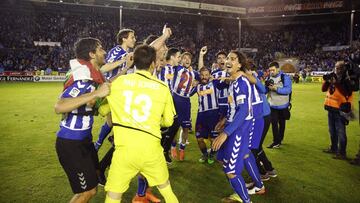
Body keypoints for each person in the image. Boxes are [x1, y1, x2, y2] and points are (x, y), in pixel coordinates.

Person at [105, 45, 179, 203]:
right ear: (153, 63)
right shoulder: (162, 87)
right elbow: (168, 121)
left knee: (113, 196)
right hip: (150, 150)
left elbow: (103, 107)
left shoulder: (118, 83)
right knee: (166, 190)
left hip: (124, 150)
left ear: (134, 61)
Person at [54, 37, 110, 203]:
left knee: (96, 178)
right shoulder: (83, 80)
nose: (104, 52)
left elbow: (104, 83)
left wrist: (126, 66)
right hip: (71, 143)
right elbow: (59, 106)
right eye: (100, 49)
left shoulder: (91, 75)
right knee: (88, 192)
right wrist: (95, 94)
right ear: (92, 54)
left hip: (84, 140)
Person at [212, 51, 263, 203]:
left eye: (232, 59)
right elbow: (234, 107)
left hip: (239, 130)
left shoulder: (241, 82)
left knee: (231, 171)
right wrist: (225, 120)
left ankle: (245, 200)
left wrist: (226, 133)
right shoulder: (234, 81)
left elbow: (243, 111)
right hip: (233, 125)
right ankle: (244, 188)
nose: (228, 61)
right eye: (227, 58)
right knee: (221, 158)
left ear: (239, 64)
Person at [170, 51, 200, 161]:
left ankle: (182, 149)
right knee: (174, 126)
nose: (187, 60)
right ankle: (173, 146)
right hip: (175, 98)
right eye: (184, 58)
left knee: (186, 127)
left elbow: (201, 73)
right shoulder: (177, 68)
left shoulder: (193, 73)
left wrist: (200, 55)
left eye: (189, 58)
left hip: (186, 101)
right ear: (181, 60)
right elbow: (171, 61)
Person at [322, 61, 354, 160]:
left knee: (341, 132)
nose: (337, 69)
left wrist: (336, 83)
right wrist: (327, 81)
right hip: (331, 108)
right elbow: (323, 89)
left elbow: (347, 92)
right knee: (332, 131)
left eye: (339, 67)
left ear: (343, 68)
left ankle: (342, 152)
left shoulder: (346, 79)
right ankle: (333, 148)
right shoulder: (333, 77)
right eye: (336, 67)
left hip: (341, 109)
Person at [266, 62, 292, 149]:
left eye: (273, 70)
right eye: (270, 70)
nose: (271, 72)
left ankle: (280, 139)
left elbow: (288, 90)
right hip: (272, 105)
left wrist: (276, 88)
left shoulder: (285, 77)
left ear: (278, 69)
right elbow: (266, 91)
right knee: (274, 123)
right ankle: (276, 141)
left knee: (282, 123)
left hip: (283, 105)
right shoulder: (269, 78)